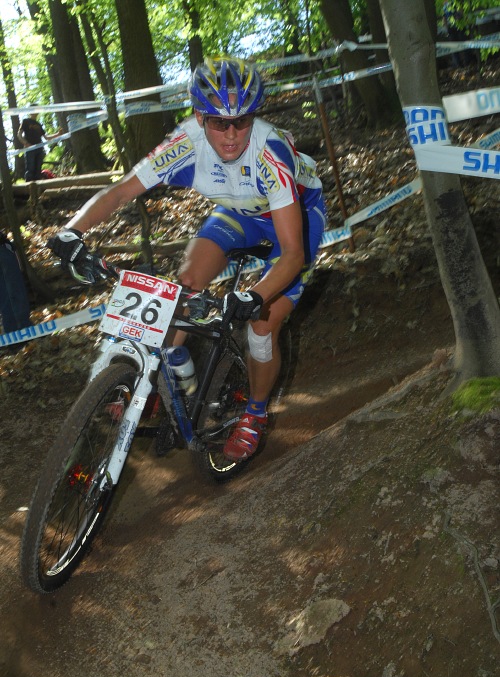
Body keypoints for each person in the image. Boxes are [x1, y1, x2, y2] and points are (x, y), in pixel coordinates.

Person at [48, 56, 326, 461]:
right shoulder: (185, 143)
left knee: (262, 325)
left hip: (295, 218)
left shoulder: (270, 151)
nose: (231, 134)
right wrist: (71, 230)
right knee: (184, 286)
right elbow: (121, 191)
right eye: (218, 122)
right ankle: (172, 373)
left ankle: (255, 413)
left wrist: (254, 296)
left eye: (242, 121)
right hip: (237, 212)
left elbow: (294, 252)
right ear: (199, 117)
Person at [17, 110, 63, 182]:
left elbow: (46, 137)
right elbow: (19, 134)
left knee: (38, 169)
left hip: (39, 148)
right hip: (30, 148)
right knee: (30, 168)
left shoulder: (39, 124)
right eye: (33, 110)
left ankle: (39, 184)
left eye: (36, 110)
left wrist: (58, 134)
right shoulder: (26, 121)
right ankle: (29, 185)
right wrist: (26, 143)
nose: (35, 112)